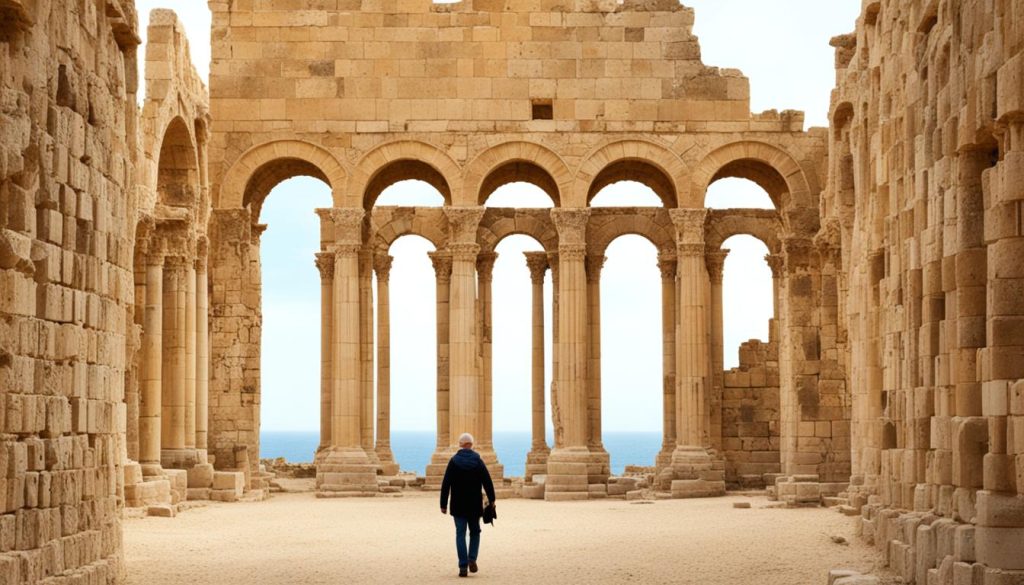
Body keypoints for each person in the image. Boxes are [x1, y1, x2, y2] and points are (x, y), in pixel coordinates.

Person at [440, 433, 496, 578]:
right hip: (474, 504)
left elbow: (446, 484)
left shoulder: (453, 461)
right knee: (475, 532)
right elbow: (487, 481)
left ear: (460, 444)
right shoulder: (478, 461)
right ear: (471, 445)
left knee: (460, 533)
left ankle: (463, 565)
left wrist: (443, 504)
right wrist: (492, 499)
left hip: (458, 504)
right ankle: (472, 559)